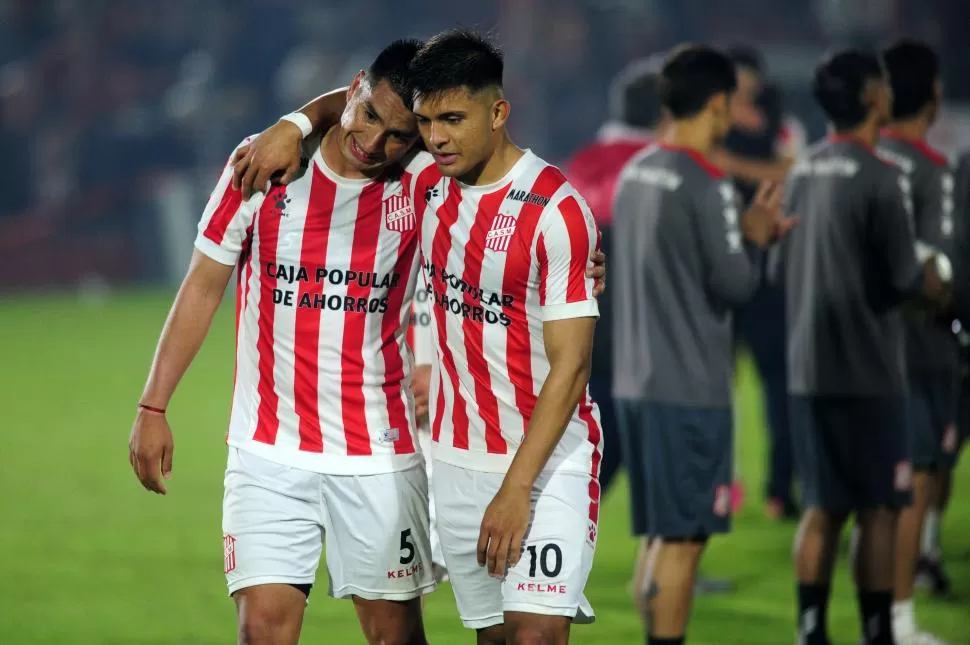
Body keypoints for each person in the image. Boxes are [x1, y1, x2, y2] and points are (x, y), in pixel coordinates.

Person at [230, 30, 608, 645]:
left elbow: (572, 368)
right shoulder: (426, 184)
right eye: (428, 122)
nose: (436, 138)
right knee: (495, 638)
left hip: (545, 462)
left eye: (454, 119)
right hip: (457, 463)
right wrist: (294, 123)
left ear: (498, 111)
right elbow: (361, 104)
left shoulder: (556, 210)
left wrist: (517, 490)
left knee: (535, 637)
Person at [127, 41, 442, 645]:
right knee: (262, 632)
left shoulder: (424, 182)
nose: (375, 143)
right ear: (353, 88)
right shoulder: (264, 166)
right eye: (369, 114)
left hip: (381, 453)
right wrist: (152, 405)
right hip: (268, 450)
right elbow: (202, 286)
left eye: (399, 134)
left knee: (396, 638)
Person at [611, 44, 794, 645]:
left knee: (662, 537)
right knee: (685, 542)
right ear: (718, 105)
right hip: (689, 389)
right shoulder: (706, 181)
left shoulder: (636, 172)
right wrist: (757, 237)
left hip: (638, 386)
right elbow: (738, 284)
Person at [769, 48, 950, 645]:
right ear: (875, 98)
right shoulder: (881, 176)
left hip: (806, 370)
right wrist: (938, 283)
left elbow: (778, 272)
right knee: (879, 507)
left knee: (821, 509)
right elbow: (905, 280)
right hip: (870, 372)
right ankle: (878, 631)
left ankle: (811, 629)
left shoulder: (802, 171)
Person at [879, 39, 958, 645]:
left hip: (858, 351)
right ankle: (899, 620)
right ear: (932, 94)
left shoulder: (865, 159)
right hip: (922, 349)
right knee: (916, 483)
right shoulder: (933, 170)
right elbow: (943, 271)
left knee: (861, 498)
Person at [722, 45, 799, 520]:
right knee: (715, 386)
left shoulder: (782, 124)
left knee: (778, 383)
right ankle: (720, 485)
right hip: (722, 266)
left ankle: (779, 486)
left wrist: (727, 163)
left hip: (768, 271)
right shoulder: (709, 122)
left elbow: (793, 170)